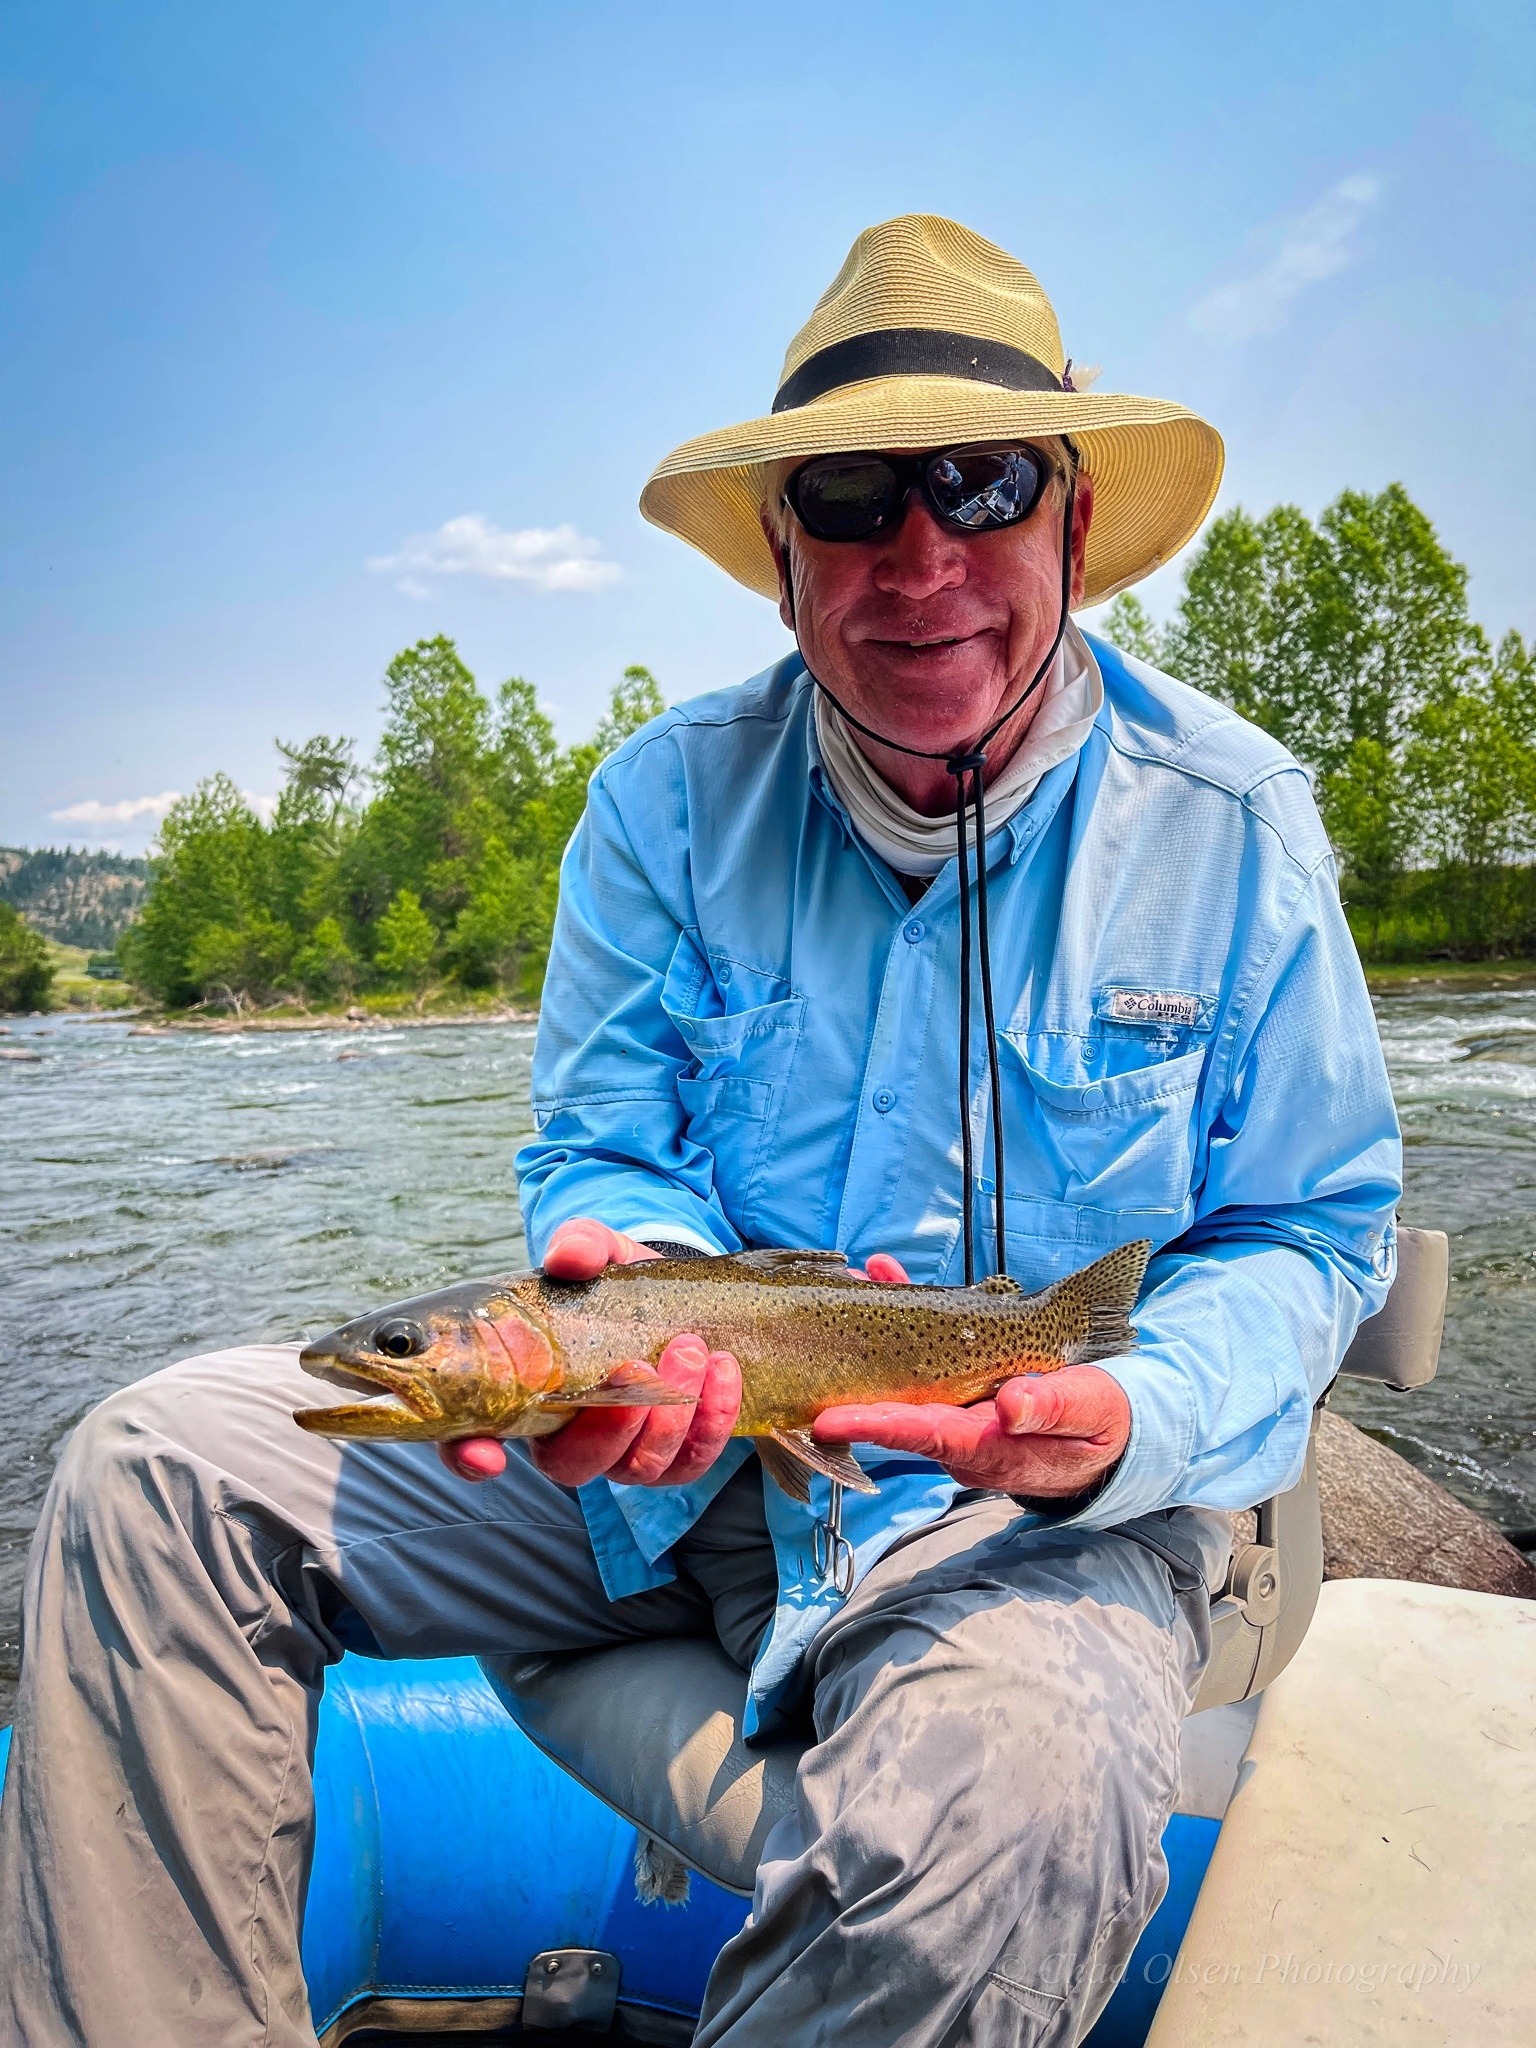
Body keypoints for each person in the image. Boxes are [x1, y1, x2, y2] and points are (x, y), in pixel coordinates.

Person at [0, 216, 1401, 2048]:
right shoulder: (659, 805)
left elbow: (1311, 1231)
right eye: (851, 498)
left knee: (1007, 1816)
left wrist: (1128, 1409)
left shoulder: (1233, 827)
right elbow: (600, 1149)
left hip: (1031, 1522)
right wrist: (643, 1281)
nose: (922, 561)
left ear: (1070, 522)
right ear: (778, 553)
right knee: (153, 1472)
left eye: (981, 486)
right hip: (660, 1480)